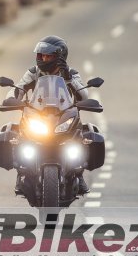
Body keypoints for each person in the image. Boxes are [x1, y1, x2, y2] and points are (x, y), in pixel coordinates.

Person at [8, 35, 90, 194]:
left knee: (80, 136)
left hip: (63, 115)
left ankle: (78, 175)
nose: (44, 58)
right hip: (38, 114)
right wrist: (11, 99)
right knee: (19, 136)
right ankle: (22, 173)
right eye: (42, 55)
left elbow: (84, 96)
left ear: (60, 56)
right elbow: (18, 89)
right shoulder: (34, 72)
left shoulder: (71, 73)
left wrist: (69, 79)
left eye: (49, 56)